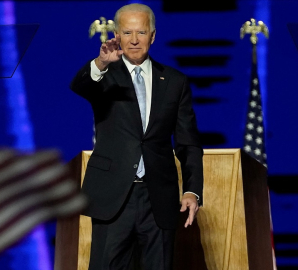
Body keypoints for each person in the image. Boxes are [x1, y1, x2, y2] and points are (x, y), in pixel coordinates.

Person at [70, 3, 204, 270]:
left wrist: (192, 190)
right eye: (127, 33)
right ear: (117, 36)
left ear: (153, 36)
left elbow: (188, 142)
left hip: (159, 197)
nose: (133, 40)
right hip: (113, 197)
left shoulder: (175, 81)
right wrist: (99, 64)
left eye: (141, 32)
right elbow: (80, 85)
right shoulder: (104, 74)